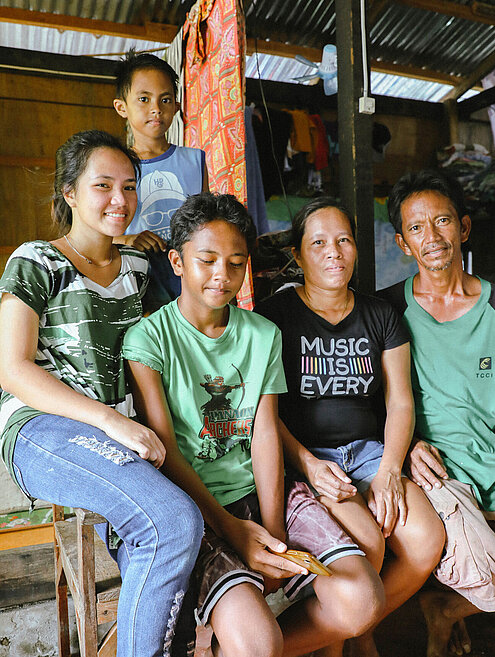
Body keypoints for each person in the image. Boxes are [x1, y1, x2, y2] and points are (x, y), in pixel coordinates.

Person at [122, 192, 385, 657]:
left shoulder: (261, 334)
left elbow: (265, 434)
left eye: (236, 262)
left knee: (362, 601)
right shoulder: (149, 338)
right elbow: (166, 450)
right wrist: (230, 528)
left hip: (265, 494)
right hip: (196, 511)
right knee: (258, 642)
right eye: (207, 260)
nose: (222, 274)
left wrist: (274, 532)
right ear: (177, 261)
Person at [0, 130, 203, 657]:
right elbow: (11, 368)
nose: (121, 200)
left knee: (167, 534)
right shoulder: (36, 261)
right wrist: (110, 420)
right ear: (69, 193)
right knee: (175, 521)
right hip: (40, 429)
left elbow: (172, 348)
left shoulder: (139, 271)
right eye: (103, 186)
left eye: (130, 187)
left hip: (122, 437)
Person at [255, 197, 445, 657]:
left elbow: (399, 401)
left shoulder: (380, 315)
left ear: (356, 248)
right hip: (308, 458)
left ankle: (355, 632)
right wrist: (307, 463)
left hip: (370, 453)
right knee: (368, 544)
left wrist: (389, 473)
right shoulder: (274, 318)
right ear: (298, 256)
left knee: (426, 541)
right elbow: (265, 413)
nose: (333, 252)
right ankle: (342, 641)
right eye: (318, 242)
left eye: (343, 240)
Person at [379, 169, 495, 657]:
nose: (432, 237)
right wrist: (407, 446)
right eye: (416, 228)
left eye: (443, 221)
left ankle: (449, 610)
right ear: (402, 243)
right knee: (472, 561)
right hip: (437, 473)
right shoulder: (386, 312)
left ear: (465, 227)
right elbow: (372, 403)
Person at [113, 50, 209, 311]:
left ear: (176, 106)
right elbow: (92, 234)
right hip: (135, 280)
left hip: (187, 280)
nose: (156, 109)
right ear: (122, 107)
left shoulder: (195, 161)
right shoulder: (114, 165)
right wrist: (128, 240)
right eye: (144, 99)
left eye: (165, 99)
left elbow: (206, 226)